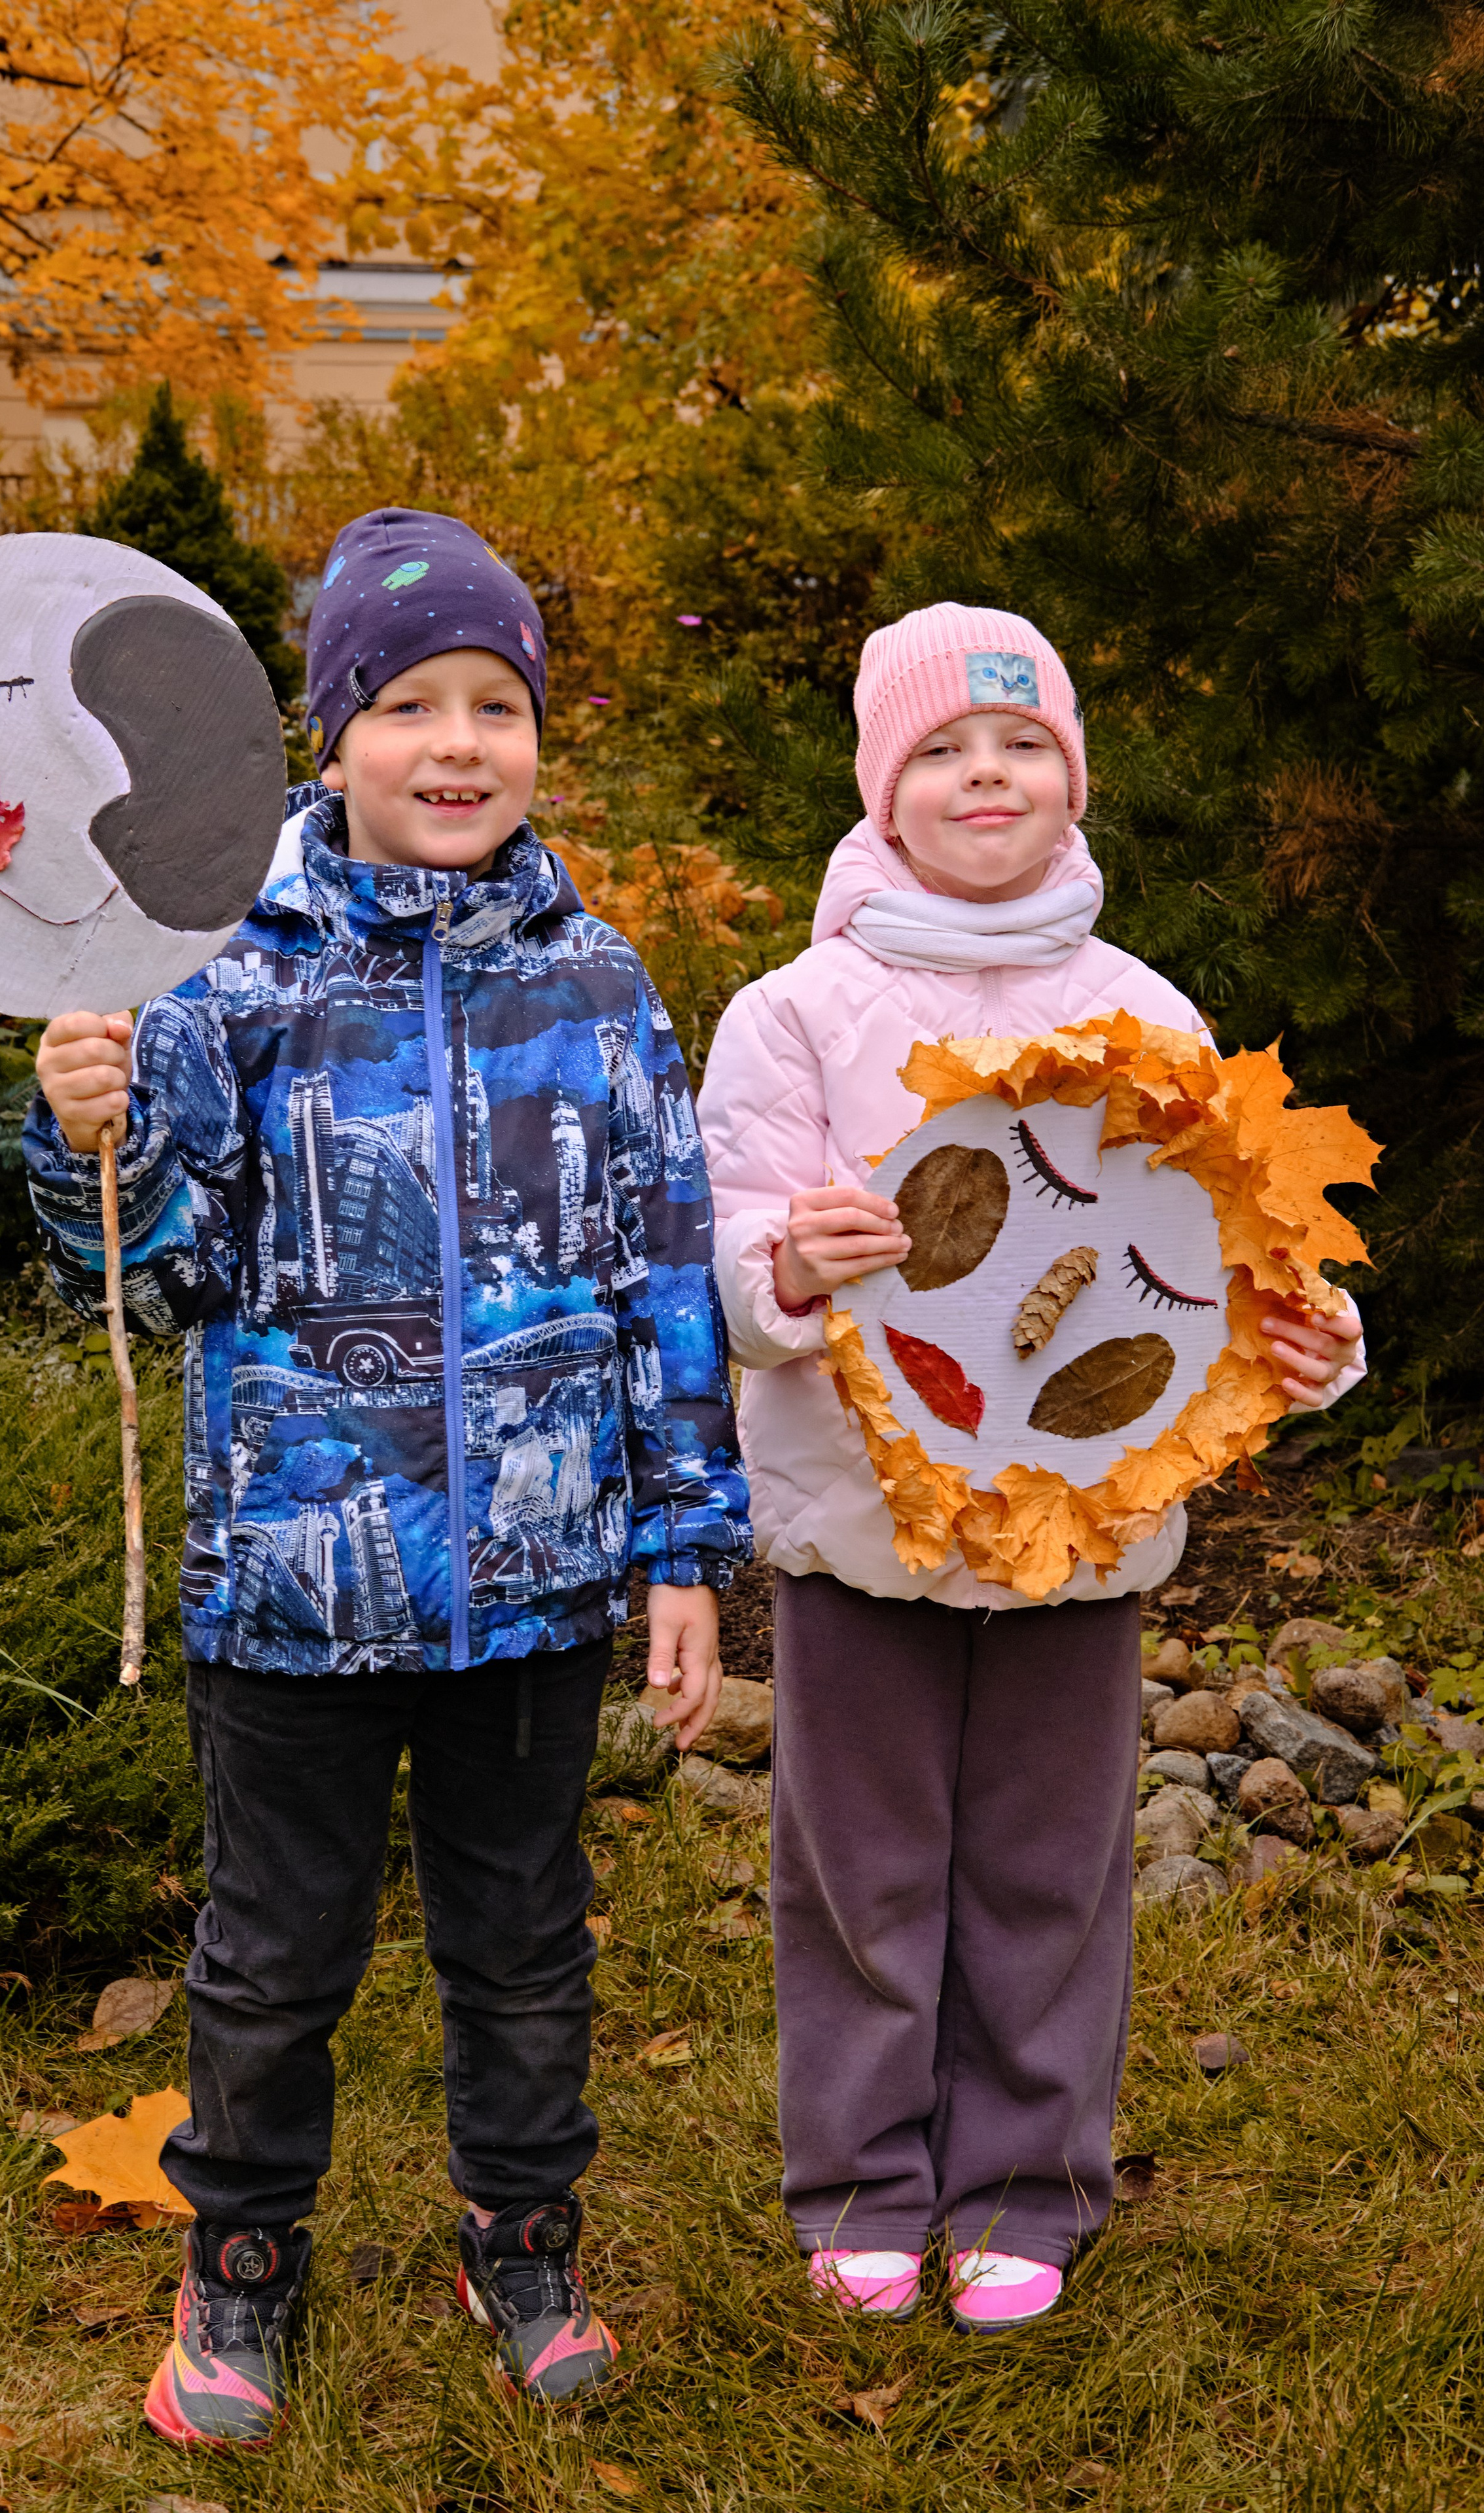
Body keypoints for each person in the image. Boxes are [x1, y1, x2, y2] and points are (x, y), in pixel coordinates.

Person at [24, 508, 750, 2445]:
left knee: (523, 1943)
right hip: (293, 1587)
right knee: (275, 1956)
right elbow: (156, 1268)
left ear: (539, 736)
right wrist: (92, 1134)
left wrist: (685, 1547)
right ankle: (244, 2264)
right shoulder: (220, 978)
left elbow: (667, 1276)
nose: (456, 743)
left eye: (496, 704)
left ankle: (524, 2238)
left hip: (537, 1582)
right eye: (408, 702)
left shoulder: (598, 985)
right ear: (330, 731)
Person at [696, 602, 1363, 2335]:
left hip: (1086, 1530)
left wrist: (1318, 1340)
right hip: (862, 1531)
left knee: (1051, 1865)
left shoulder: (1145, 1011)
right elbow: (730, 1267)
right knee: (864, 1866)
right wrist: (791, 1265)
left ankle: (1022, 2184)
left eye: (1022, 744)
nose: (984, 774)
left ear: (1073, 780)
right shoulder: (794, 1015)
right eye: (941, 748)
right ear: (880, 786)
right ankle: (860, 2183)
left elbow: (1230, 1251)